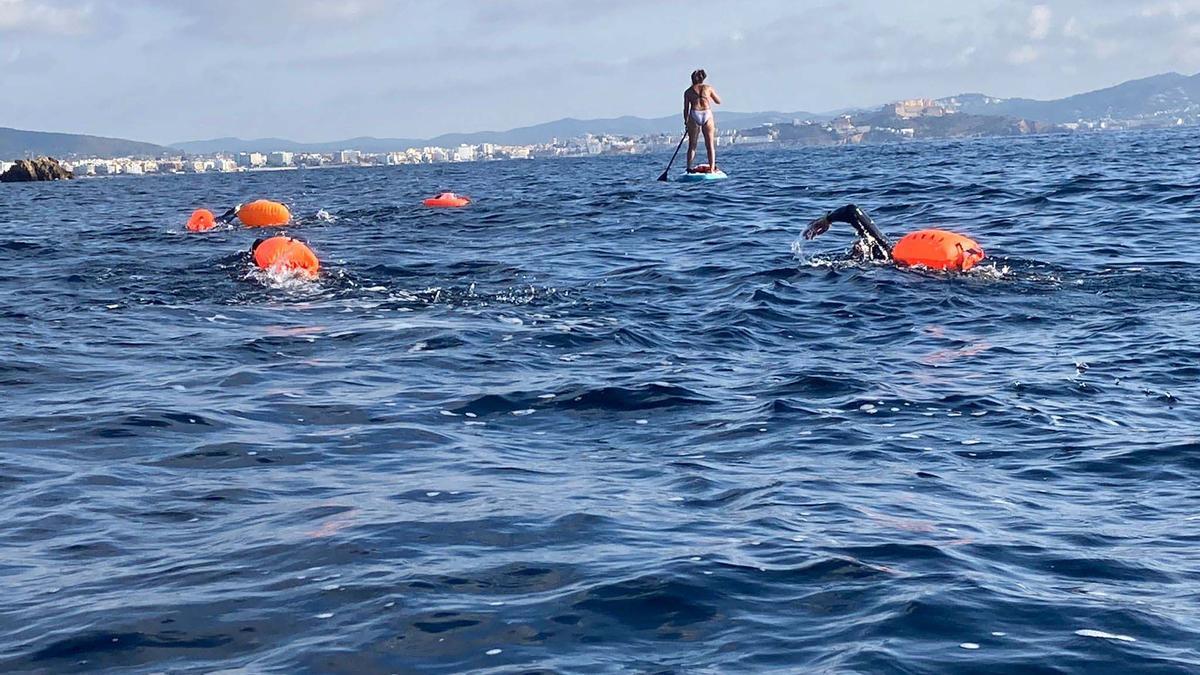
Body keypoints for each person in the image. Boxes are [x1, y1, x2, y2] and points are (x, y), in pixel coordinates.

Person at [803, 204, 987, 272]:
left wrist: (827, 219)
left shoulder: (885, 253)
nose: (857, 244)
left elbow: (853, 211)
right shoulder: (893, 255)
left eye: (860, 244)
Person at [683, 69, 721, 173]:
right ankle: (712, 168)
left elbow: (686, 109)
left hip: (694, 114)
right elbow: (718, 101)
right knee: (710, 145)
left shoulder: (688, 92)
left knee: (692, 145)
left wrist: (686, 122)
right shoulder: (708, 88)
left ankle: (689, 168)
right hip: (707, 113)